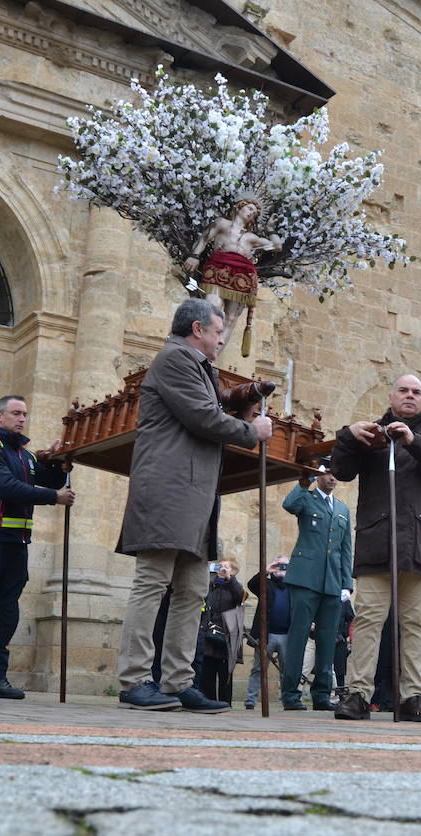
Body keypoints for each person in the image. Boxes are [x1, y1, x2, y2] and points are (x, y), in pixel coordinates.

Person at [115, 299, 270, 713]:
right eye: (219, 332)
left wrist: (239, 405)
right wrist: (251, 431)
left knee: (192, 589)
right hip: (168, 489)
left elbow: (212, 408)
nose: (222, 340)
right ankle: (133, 680)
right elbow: (202, 417)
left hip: (195, 494)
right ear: (198, 328)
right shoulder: (174, 358)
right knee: (152, 581)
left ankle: (178, 681)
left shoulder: (197, 366)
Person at [331, 374, 421, 722]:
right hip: (376, 543)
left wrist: (413, 440)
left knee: (417, 622)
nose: (409, 396)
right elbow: (340, 471)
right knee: (369, 620)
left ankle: (411, 697)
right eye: (403, 390)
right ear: (390, 396)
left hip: (419, 544)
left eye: (416, 392)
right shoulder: (371, 433)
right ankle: (358, 695)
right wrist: (347, 437)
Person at [0, 395, 72, 699]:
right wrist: (53, 496)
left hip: (17, 545)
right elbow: (6, 487)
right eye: (15, 413)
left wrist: (57, 461)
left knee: (7, 613)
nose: (22, 419)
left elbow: (46, 476)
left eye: (24, 414)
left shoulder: (25, 455)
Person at [280, 463, 353, 711]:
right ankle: (290, 694)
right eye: (327, 473)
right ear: (319, 475)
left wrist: (347, 584)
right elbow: (289, 505)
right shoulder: (307, 498)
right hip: (305, 579)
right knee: (299, 637)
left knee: (327, 640)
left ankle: (321, 694)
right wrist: (305, 479)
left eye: (335, 474)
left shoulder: (342, 508)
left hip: (332, 583)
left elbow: (345, 550)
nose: (332, 478)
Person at [181, 196, 283, 354]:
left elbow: (277, 246)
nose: (252, 214)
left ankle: (212, 356)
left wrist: (270, 228)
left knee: (230, 319)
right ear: (238, 207)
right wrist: (194, 256)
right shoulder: (222, 223)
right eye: (250, 208)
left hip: (242, 277)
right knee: (211, 311)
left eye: (255, 213)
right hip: (217, 270)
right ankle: (199, 349)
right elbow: (205, 238)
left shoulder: (251, 238)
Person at [243, 556, 292, 709]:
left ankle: (287, 700)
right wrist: (266, 571)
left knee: (287, 671)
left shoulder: (293, 586)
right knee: (258, 668)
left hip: (286, 635)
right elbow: (251, 585)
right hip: (266, 635)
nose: (281, 569)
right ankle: (251, 700)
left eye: (284, 566)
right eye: (278, 565)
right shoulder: (266, 584)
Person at [196, 558, 246, 703]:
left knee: (225, 675)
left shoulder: (235, 587)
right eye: (221, 566)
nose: (222, 569)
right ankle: (208, 702)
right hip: (208, 635)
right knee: (207, 674)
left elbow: (241, 597)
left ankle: (225, 703)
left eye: (227, 567)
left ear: (234, 571)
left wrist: (229, 579)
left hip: (226, 638)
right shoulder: (210, 584)